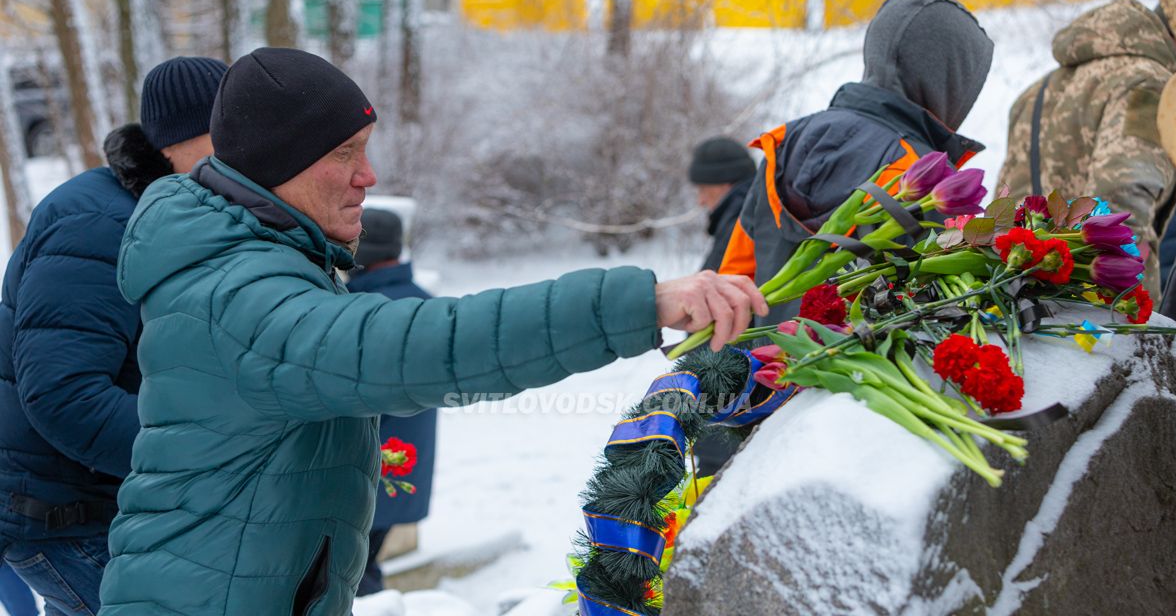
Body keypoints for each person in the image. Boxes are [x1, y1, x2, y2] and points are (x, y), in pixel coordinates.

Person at [96, 47, 765, 615]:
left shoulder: (251, 263)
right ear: (279, 168)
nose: (370, 176)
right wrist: (640, 304)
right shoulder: (239, 297)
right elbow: (425, 345)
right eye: (346, 153)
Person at [0, 56, 226, 615]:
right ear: (179, 140)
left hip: (105, 504)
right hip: (59, 512)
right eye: (227, 135)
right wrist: (201, 453)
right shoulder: (103, 221)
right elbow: (63, 391)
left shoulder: (174, 212)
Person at [720, 0, 992, 324]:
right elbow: (940, 316)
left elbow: (733, 280)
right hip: (856, 374)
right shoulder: (924, 178)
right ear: (953, 81)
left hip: (763, 366)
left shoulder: (787, 139)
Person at [999, 0, 1176, 302]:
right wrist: (1124, 314)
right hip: (1102, 310)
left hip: (1025, 301)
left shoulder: (1036, 91)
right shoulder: (1151, 83)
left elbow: (1005, 208)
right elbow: (1122, 201)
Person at [348, 208, 435, 596]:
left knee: (353, 576)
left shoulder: (361, 310)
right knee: (363, 568)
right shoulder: (424, 303)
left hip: (363, 470)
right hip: (404, 463)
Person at [688, 137, 756, 272]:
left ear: (726, 183)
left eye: (703, 189)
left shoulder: (740, 226)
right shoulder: (750, 214)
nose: (701, 201)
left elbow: (709, 288)